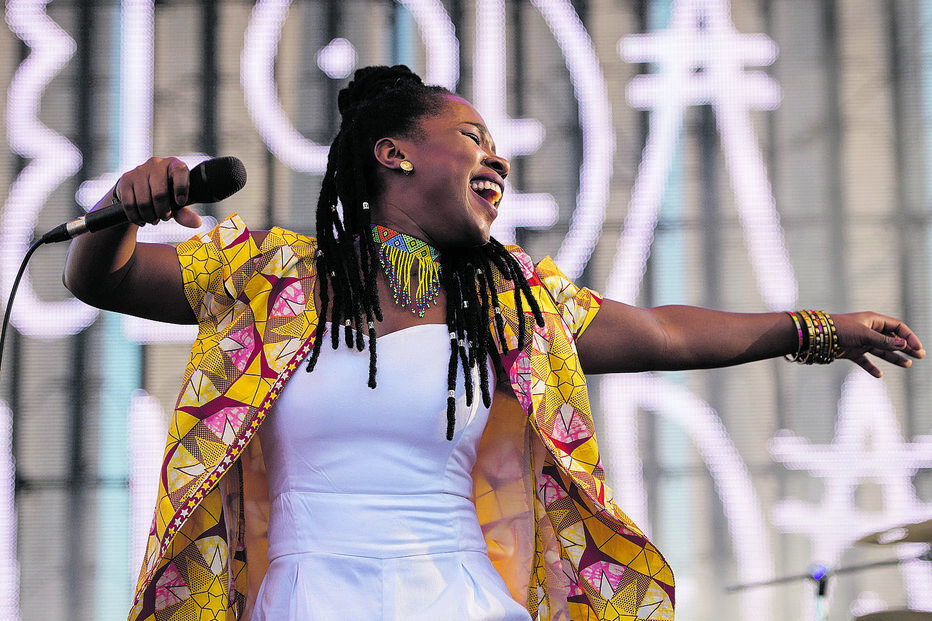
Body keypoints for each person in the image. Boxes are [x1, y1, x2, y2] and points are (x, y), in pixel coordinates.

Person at [63, 65, 924, 621]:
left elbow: (664, 329)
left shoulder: (511, 299)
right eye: (474, 138)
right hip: (305, 596)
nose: (498, 162)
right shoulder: (268, 276)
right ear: (392, 152)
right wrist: (117, 209)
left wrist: (813, 329)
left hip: (459, 597)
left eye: (499, 150)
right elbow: (99, 279)